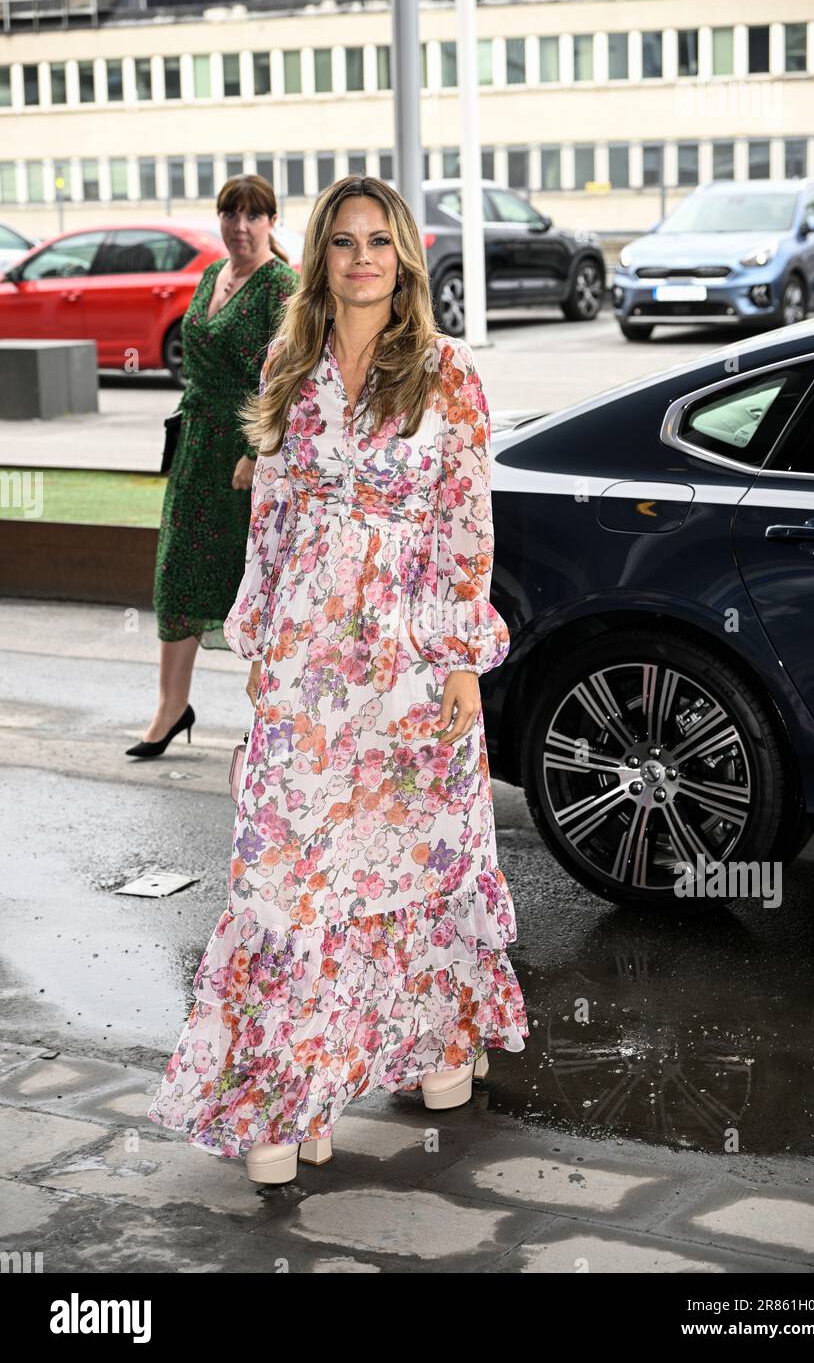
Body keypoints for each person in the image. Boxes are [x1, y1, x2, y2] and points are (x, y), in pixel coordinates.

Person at [145, 174, 529, 1184]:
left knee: (408, 858)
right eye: (344, 242)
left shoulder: (446, 373)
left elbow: (463, 524)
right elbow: (270, 514)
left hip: (405, 655)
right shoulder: (289, 358)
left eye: (379, 241)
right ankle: (284, 1090)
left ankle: (438, 1043)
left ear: (402, 255)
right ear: (320, 257)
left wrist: (458, 658)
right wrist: (262, 644)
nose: (362, 258)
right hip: (308, 656)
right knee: (284, 873)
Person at [126, 174, 299, 757]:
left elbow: (290, 377)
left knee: (249, 586)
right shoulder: (210, 275)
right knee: (176, 579)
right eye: (232, 214)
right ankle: (171, 708)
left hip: (248, 458)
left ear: (272, 222)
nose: (242, 227)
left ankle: (270, 721)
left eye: (254, 216)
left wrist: (257, 451)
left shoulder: (282, 287)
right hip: (197, 450)